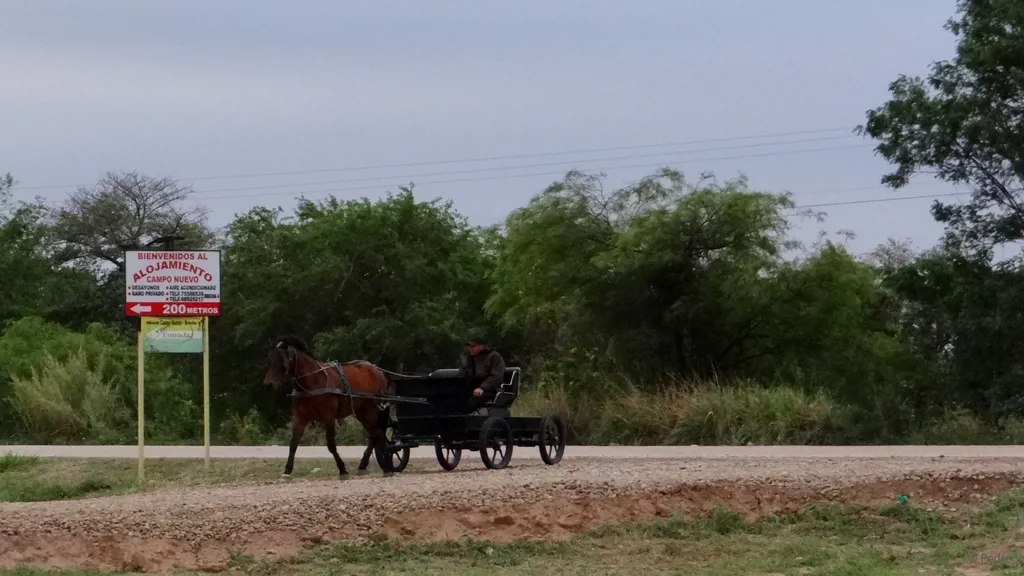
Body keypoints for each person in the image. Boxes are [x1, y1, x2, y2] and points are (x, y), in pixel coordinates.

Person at [458, 334, 506, 411]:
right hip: (474, 388)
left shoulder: (494, 356)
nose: (470, 349)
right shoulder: (470, 358)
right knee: (455, 399)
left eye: (473, 346)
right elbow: (465, 375)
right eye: (469, 347)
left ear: (481, 346)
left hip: (490, 390)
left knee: (471, 402)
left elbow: (497, 376)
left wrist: (482, 388)